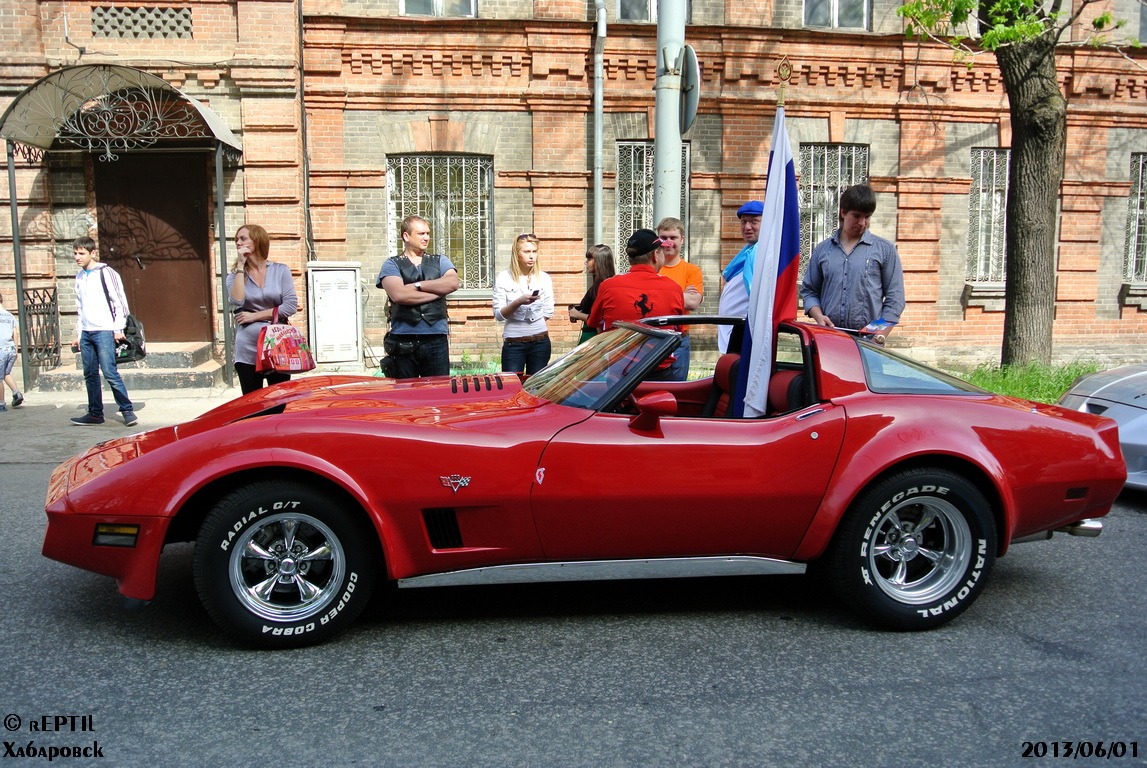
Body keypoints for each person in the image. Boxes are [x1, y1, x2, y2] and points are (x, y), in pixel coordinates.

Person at [800, 184, 905, 339]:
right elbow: (809, 291)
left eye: (867, 217)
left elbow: (895, 299)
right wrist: (819, 316)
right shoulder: (823, 250)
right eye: (856, 216)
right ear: (843, 212)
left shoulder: (884, 250)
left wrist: (877, 334)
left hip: (868, 342)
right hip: (830, 338)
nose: (862, 222)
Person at [376, 215, 460, 378]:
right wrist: (438, 291)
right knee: (406, 390)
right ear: (406, 236)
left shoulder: (440, 261)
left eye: (428, 233)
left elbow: (452, 283)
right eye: (421, 234)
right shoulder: (392, 264)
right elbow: (399, 295)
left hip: (436, 339)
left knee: (438, 389)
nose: (426, 238)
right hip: (403, 340)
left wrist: (417, 285)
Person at [69, 236, 137, 426]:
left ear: (93, 253)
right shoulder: (80, 277)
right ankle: (95, 414)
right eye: (75, 253)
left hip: (104, 330)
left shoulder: (106, 273)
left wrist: (118, 328)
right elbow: (80, 307)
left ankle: (127, 410)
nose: (77, 257)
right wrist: (79, 334)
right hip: (87, 332)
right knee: (90, 374)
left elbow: (120, 302)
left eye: (81, 253)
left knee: (109, 372)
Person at [226, 224, 299, 395]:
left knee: (279, 399)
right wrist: (240, 266)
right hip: (248, 347)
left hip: (277, 344)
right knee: (252, 401)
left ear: (257, 240)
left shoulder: (280, 270)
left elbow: (290, 306)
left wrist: (254, 316)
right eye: (236, 239)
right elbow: (237, 300)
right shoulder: (234, 276)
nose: (238, 242)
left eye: (243, 238)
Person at [588, 228, 685, 335]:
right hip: (660, 346)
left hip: (620, 345)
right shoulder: (674, 288)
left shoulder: (608, 286)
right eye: (662, 250)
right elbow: (679, 330)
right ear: (655, 255)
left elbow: (594, 322)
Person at [493, 233, 554, 375]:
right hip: (513, 343)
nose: (532, 256)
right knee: (512, 384)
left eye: (534, 251)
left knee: (536, 384)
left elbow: (548, 310)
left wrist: (533, 325)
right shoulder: (504, 277)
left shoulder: (544, 278)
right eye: (527, 252)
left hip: (540, 341)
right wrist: (518, 302)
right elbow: (499, 315)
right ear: (517, 254)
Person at [656, 217, 704, 380]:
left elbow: (692, 303)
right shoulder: (651, 268)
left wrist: (657, 294)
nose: (668, 242)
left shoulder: (692, 270)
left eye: (673, 237)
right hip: (652, 339)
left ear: (682, 239)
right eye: (663, 237)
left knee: (676, 389)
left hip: (679, 340)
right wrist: (681, 294)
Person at [716, 200, 763, 352]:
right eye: (743, 222)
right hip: (732, 332)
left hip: (745, 332)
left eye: (754, 221)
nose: (747, 227)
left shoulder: (763, 254)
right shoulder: (747, 252)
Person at [568, 244, 615, 344]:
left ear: (599, 262)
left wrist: (577, 314)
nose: (586, 262)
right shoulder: (603, 284)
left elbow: (599, 321)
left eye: (589, 259)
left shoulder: (601, 287)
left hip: (593, 338)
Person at [0, 291, 25, 412]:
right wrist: (16, 349)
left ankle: (1, 404)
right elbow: (15, 333)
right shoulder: (9, 315)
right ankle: (16, 393)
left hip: (1, 349)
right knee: (6, 373)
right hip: (11, 349)